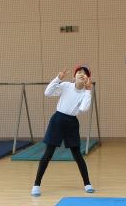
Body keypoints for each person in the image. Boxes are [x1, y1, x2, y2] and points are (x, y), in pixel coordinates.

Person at [32, 66, 94, 197]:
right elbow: (47, 92)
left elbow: (83, 108)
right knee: (48, 153)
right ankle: (36, 185)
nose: (81, 74)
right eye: (79, 72)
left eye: (85, 74)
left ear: (87, 79)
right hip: (58, 120)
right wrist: (58, 78)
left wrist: (88, 91)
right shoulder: (66, 85)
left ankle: (87, 184)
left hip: (72, 123)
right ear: (74, 76)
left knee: (77, 154)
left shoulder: (85, 92)